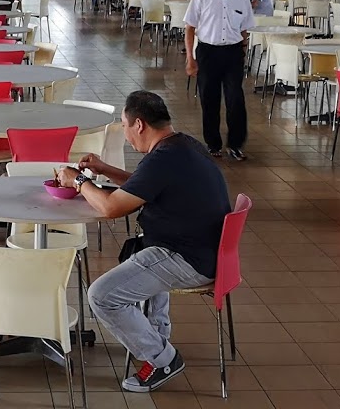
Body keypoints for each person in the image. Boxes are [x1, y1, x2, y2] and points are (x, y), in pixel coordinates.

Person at [53, 90, 229, 393]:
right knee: (143, 254)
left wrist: (78, 182)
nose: (124, 132)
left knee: (102, 296)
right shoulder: (183, 145)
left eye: (123, 125)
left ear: (139, 125)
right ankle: (154, 337)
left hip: (185, 257)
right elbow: (147, 184)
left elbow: (111, 209)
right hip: (207, 250)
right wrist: (105, 170)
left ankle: (163, 358)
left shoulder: (164, 158)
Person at [184, 0, 255, 160]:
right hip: (207, 51)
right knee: (209, 98)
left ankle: (235, 143)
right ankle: (213, 143)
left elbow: (245, 29)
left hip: (232, 52)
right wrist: (190, 58)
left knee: (235, 98)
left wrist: (242, 50)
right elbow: (190, 27)